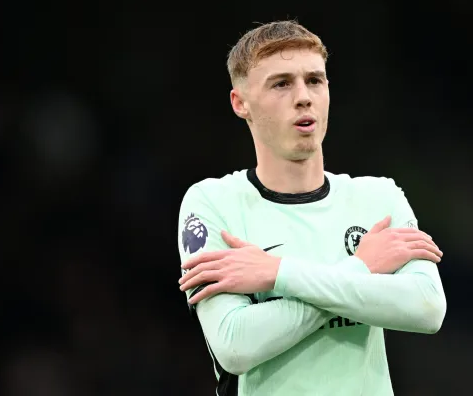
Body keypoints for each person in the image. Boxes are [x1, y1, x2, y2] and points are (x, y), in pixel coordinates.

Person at [177, 20, 446, 396]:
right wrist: (361, 268)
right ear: (241, 103)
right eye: (282, 83)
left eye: (315, 80)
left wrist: (278, 274)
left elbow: (427, 308)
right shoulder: (213, 204)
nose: (303, 96)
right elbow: (235, 346)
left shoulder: (378, 198)